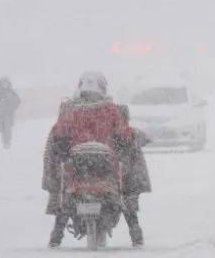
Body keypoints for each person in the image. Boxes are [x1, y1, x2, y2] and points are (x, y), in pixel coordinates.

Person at [43, 72, 134, 248]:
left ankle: (56, 235)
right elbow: (124, 135)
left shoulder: (72, 111)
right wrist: (132, 136)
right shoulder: (111, 110)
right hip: (107, 166)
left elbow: (59, 134)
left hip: (77, 166)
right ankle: (135, 231)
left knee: (65, 196)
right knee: (125, 192)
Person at [118, 105, 152, 248]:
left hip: (125, 177)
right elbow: (148, 138)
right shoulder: (134, 133)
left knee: (127, 207)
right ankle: (137, 237)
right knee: (130, 209)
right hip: (135, 177)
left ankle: (136, 237)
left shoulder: (115, 134)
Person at [0, 77, 21, 149]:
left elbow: (18, 101)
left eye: (6, 83)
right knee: (2, 129)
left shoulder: (11, 92)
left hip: (9, 114)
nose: (5, 84)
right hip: (0, 114)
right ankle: (4, 142)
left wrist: (12, 106)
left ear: (8, 84)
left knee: (7, 129)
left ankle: (7, 142)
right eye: (3, 83)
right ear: (0, 84)